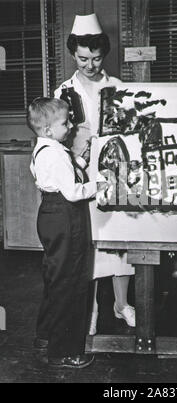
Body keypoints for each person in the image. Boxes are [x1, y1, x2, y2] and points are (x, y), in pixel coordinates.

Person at [54, 14, 135, 332]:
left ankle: (121, 304)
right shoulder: (64, 91)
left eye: (96, 58)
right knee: (86, 245)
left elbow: (131, 131)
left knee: (121, 243)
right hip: (80, 177)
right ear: (74, 55)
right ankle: (91, 311)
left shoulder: (116, 87)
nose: (90, 65)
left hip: (114, 173)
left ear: (105, 54)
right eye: (83, 58)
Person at [28, 97, 107, 368]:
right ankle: (63, 352)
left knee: (56, 278)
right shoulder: (56, 153)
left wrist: (79, 162)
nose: (71, 126)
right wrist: (99, 184)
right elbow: (73, 192)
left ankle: (45, 336)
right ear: (49, 129)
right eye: (65, 122)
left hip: (50, 214)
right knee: (71, 283)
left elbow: (57, 176)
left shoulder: (42, 149)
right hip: (66, 217)